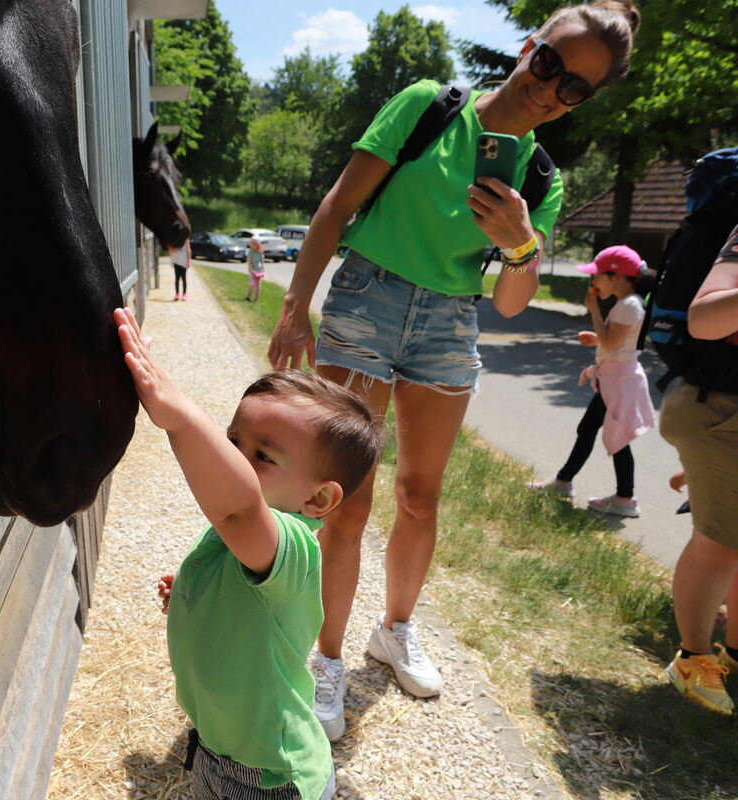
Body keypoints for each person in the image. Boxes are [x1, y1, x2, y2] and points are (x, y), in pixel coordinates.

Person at [265, 0, 640, 737]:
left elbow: (507, 303)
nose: (552, 88)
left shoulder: (539, 177)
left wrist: (522, 243)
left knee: (420, 497)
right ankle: (327, 660)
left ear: (580, 104)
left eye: (574, 89)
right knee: (344, 498)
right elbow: (339, 205)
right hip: (368, 300)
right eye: (550, 63)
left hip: (449, 320)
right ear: (531, 45)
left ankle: (394, 630)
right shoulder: (428, 107)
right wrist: (294, 305)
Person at [114, 307, 380, 800]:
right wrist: (197, 595)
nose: (234, 456)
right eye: (232, 439)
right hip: (219, 748)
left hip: (271, 773)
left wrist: (179, 416)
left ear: (318, 500)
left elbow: (238, 507)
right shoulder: (237, 536)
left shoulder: (295, 547)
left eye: (262, 455)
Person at [661, 223, 738, 716]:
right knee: (721, 542)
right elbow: (705, 319)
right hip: (722, 410)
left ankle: (732, 653)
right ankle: (692, 659)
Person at [527, 245, 656, 516]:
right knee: (592, 431)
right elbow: (620, 342)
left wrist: (594, 310)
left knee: (613, 437)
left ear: (617, 277)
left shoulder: (628, 306)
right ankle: (570, 483)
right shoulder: (629, 304)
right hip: (617, 379)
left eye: (597, 276)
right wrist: (598, 338)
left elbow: (611, 342)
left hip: (619, 382)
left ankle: (624, 499)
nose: (593, 281)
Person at [246, 237, 266, 302]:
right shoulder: (250, 251)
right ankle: (248, 297)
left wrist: (262, 269)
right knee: (251, 283)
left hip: (258, 270)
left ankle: (256, 299)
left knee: (258, 284)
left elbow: (262, 261)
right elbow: (249, 262)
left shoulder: (260, 251)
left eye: (253, 244)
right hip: (252, 270)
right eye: (251, 244)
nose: (251, 245)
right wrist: (252, 270)